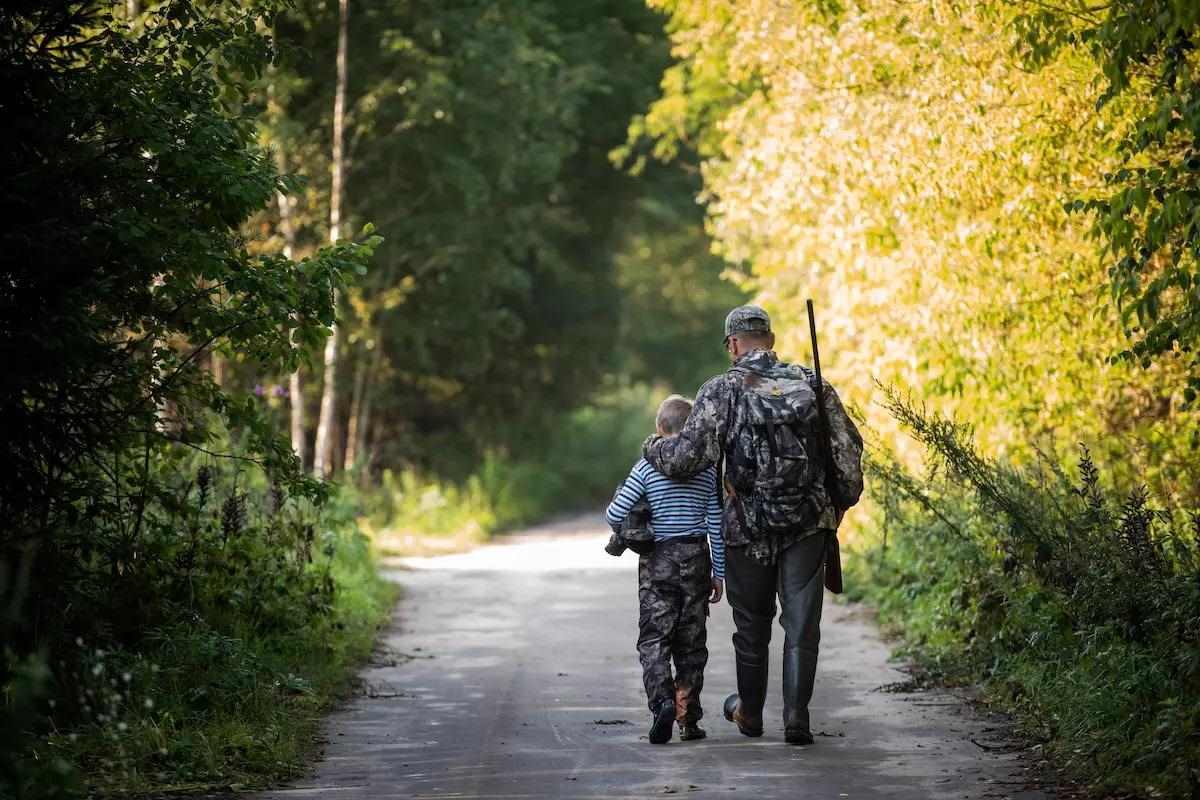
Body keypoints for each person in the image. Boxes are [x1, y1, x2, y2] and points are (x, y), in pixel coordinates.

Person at [641, 305, 863, 745]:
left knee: (752, 626)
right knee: (801, 626)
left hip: (747, 524)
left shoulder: (721, 389)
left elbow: (687, 459)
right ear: (772, 340)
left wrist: (652, 448)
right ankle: (797, 719)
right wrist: (834, 507)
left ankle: (752, 714)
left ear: (733, 344)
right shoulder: (813, 384)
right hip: (807, 524)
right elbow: (848, 456)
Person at [605, 394, 726, 745]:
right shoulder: (706, 467)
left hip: (658, 561)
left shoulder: (645, 468)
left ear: (660, 428)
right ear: (691, 432)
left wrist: (641, 523)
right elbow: (715, 522)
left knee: (655, 639)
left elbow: (614, 514)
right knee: (691, 643)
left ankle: (661, 704)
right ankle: (688, 717)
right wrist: (719, 572)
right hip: (696, 557)